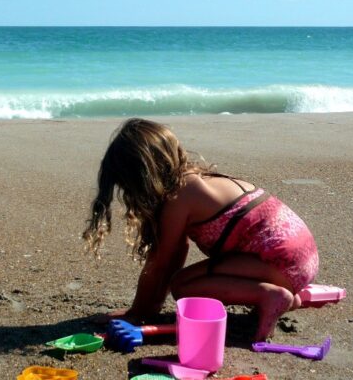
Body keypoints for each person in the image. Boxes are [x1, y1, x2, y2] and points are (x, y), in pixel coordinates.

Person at [82, 118, 319, 341]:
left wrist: (135, 313)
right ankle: (285, 292)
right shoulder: (197, 180)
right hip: (300, 258)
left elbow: (161, 263)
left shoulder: (179, 197)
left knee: (183, 287)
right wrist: (150, 309)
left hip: (281, 262)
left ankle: (269, 295)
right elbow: (177, 252)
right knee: (183, 279)